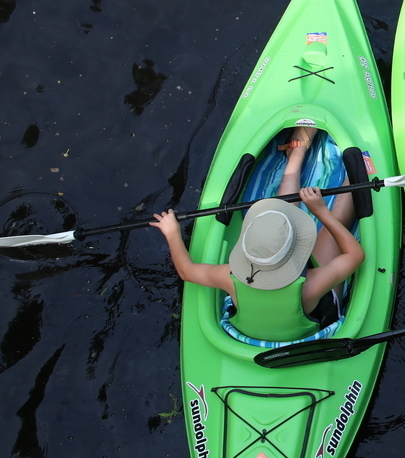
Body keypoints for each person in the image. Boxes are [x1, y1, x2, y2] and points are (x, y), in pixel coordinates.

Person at [149, 126, 364, 342]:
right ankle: (357, 170)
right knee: (330, 232)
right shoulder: (312, 285)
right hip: (308, 332)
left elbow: (187, 272)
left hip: (249, 337)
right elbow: (355, 255)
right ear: (297, 249)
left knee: (281, 215)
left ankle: (295, 156)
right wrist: (322, 213)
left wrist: (172, 233)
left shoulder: (229, 277)